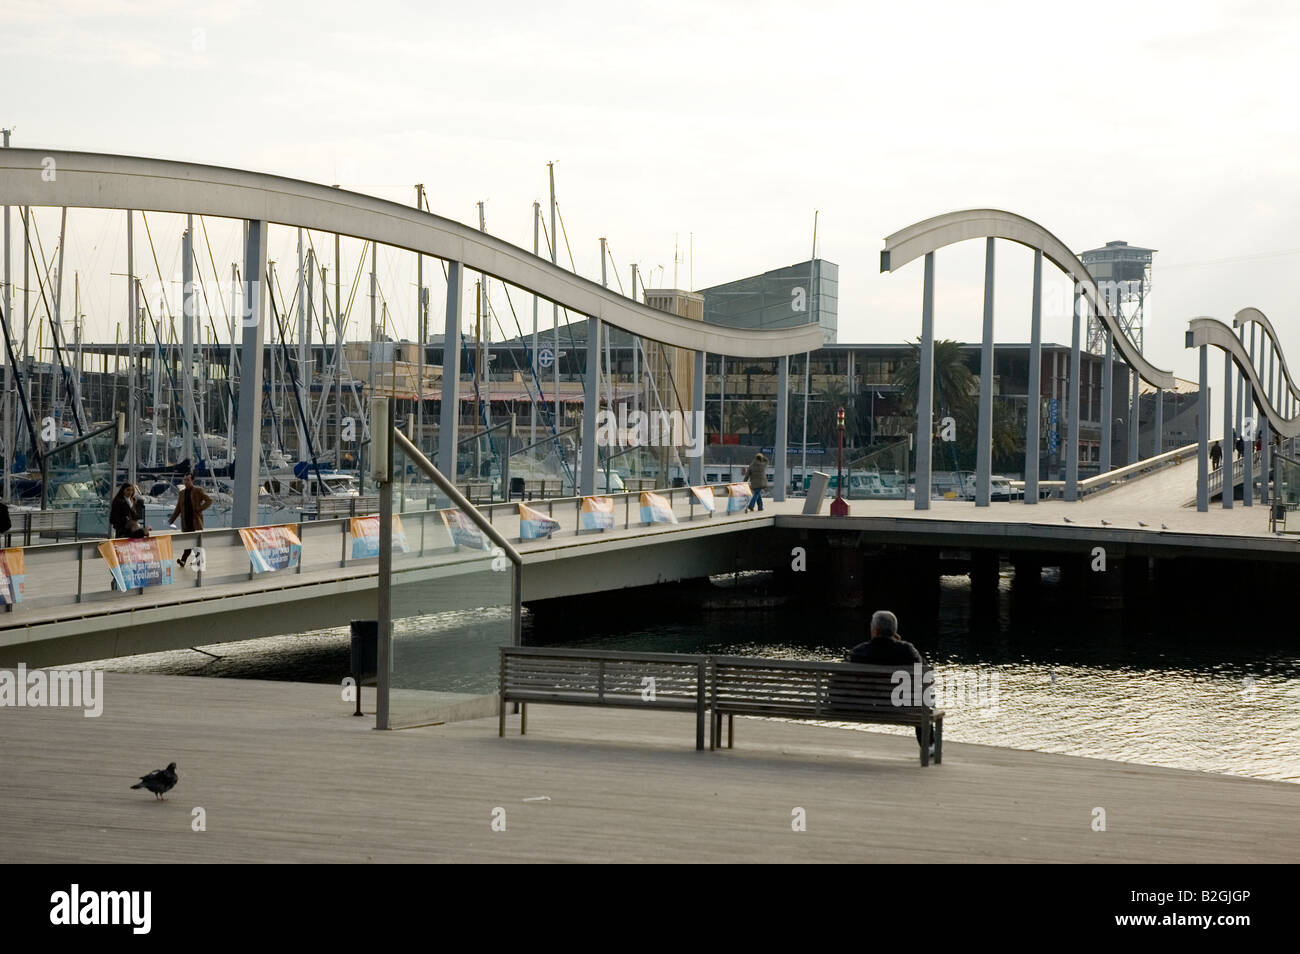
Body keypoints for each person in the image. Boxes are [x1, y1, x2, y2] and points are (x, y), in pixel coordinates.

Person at [847, 610, 935, 755]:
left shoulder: (858, 652)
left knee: (920, 696)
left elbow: (839, 679)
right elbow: (926, 675)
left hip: (863, 706)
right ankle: (929, 745)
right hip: (900, 706)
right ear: (894, 631)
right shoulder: (907, 651)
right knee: (922, 697)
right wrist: (900, 643)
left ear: (874, 630)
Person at [170, 473, 212, 568]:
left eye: (188, 480)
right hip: (186, 522)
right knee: (188, 542)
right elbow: (178, 509)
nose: (185, 482)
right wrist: (171, 520)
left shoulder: (198, 490)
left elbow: (209, 500)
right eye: (184, 480)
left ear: (192, 480)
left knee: (196, 542)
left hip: (196, 522)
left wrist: (199, 509)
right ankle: (190, 561)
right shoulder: (181, 493)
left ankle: (188, 561)